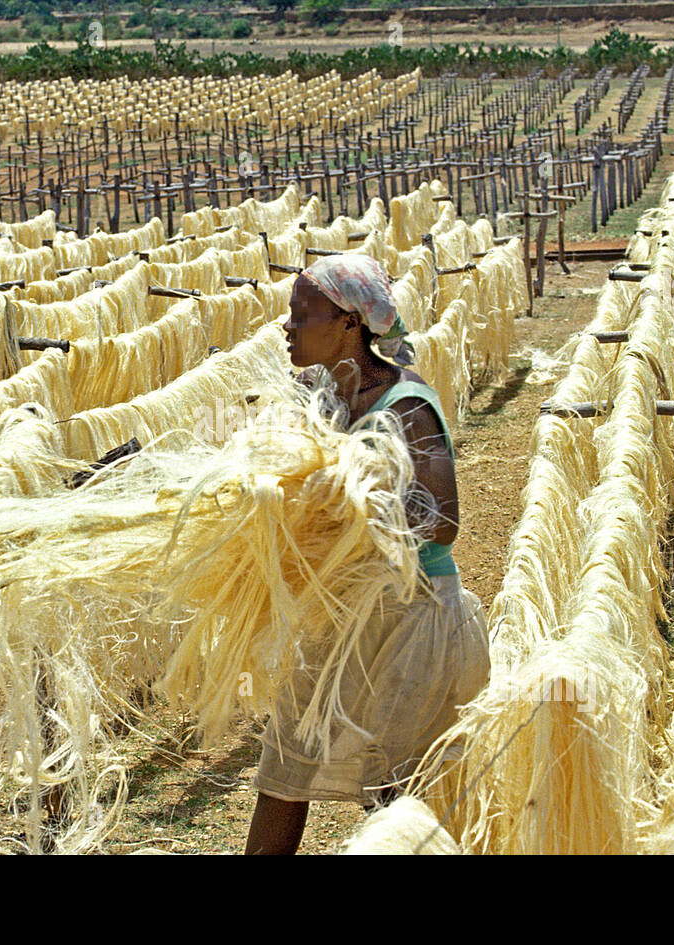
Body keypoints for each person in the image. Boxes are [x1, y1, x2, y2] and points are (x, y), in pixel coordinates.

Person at [244, 253, 490, 855]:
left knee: (393, 790)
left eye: (303, 315)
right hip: (344, 616)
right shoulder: (320, 397)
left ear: (350, 323)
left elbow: (443, 520)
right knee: (284, 767)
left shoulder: (405, 405)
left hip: (412, 618)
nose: (288, 326)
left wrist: (345, 500)